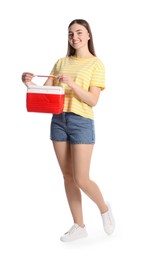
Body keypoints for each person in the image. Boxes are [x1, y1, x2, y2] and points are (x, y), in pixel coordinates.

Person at [22, 19, 115, 242]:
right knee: (67, 176)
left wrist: (72, 84)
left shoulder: (96, 64)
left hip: (81, 121)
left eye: (79, 32)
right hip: (58, 120)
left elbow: (93, 100)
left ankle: (104, 208)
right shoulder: (61, 62)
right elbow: (46, 93)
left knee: (81, 178)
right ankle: (79, 225)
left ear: (88, 35)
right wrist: (28, 84)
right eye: (71, 33)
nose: (74, 37)